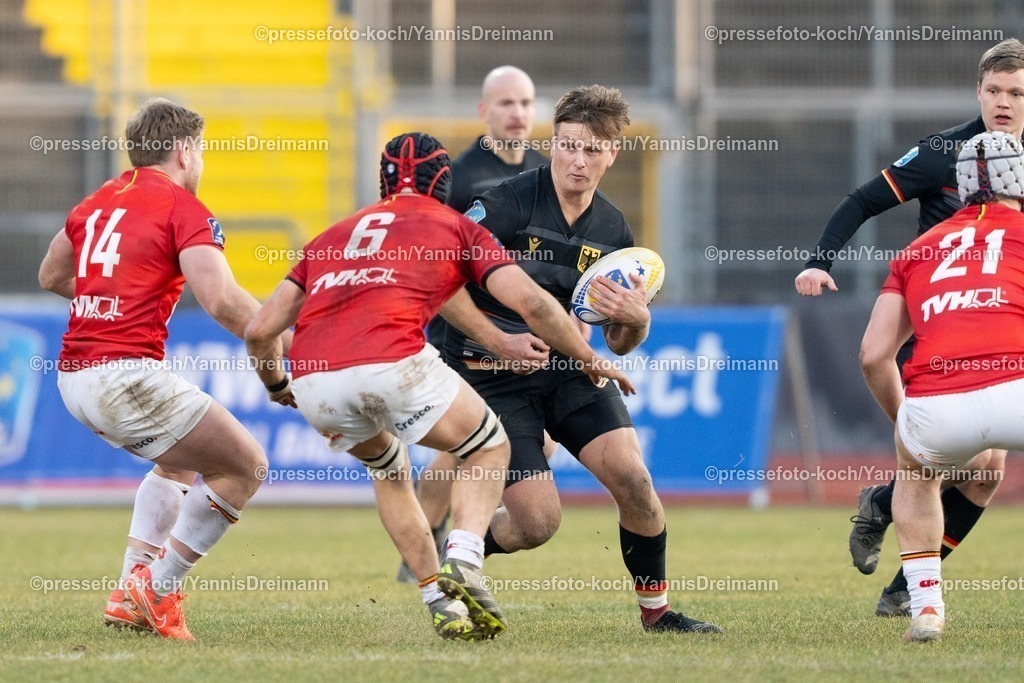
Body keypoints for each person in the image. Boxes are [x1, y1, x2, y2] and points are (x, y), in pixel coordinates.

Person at [243, 132, 633, 641]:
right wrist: (588, 358)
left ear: (380, 182)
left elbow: (258, 330)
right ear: (444, 183)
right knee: (489, 446)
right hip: (391, 362)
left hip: (316, 377)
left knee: (388, 470)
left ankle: (438, 600)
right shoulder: (454, 224)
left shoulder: (333, 234)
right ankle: (466, 559)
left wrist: (277, 383)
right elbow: (535, 305)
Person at [439, 84, 721, 634]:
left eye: (593, 150)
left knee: (635, 481)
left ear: (613, 153)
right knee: (539, 523)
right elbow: (439, 286)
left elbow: (616, 341)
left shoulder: (614, 231)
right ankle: (462, 553)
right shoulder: (504, 204)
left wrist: (636, 321)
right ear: (554, 141)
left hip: (569, 369)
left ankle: (657, 615)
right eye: (568, 146)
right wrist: (499, 343)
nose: (578, 160)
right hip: (491, 379)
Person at [794, 39, 1024, 617]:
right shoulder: (946, 151)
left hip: (1004, 317)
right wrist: (820, 259)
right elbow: (863, 200)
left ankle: (904, 566)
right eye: (994, 90)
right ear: (978, 91)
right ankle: (906, 562)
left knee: (982, 473)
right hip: (943, 316)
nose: (1003, 102)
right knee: (979, 466)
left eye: (1016, 93)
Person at [38, 98, 273, 640]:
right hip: (124, 373)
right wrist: (276, 335)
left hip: (74, 377)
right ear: (186, 150)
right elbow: (223, 303)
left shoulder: (95, 201)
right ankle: (155, 589)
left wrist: (115, 293)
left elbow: (52, 275)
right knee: (245, 467)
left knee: (179, 464)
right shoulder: (183, 208)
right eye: (203, 150)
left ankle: (129, 588)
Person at [860, 130, 1024, 642]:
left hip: (936, 402)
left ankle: (926, 609)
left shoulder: (916, 250)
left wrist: (910, 432)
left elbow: (872, 356)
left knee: (916, 473)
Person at [401, 66, 550, 583]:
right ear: (484, 111)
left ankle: (444, 541)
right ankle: (418, 545)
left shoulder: (542, 170)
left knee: (529, 440)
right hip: (464, 331)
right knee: (464, 443)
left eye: (526, 102)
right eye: (506, 103)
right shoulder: (461, 177)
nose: (518, 113)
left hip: (522, 330)